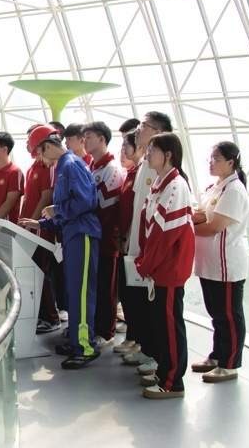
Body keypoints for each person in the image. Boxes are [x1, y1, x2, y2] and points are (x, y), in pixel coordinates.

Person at [18, 125, 101, 369]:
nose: (40, 160)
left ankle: (85, 346)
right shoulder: (63, 167)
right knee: (72, 292)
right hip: (71, 234)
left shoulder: (71, 165)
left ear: (47, 147)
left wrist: (57, 210)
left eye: (39, 153)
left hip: (82, 234)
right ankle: (76, 340)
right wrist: (41, 223)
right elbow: (66, 208)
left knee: (81, 294)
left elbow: (85, 201)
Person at [134, 132, 195, 399]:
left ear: (168, 154)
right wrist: (145, 260)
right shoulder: (160, 183)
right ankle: (164, 370)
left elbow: (165, 234)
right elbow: (148, 227)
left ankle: (173, 382)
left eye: (152, 150)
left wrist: (146, 263)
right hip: (157, 267)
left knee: (170, 326)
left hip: (169, 268)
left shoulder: (176, 186)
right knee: (160, 323)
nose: (147, 155)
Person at [191, 141, 249, 383]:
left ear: (231, 162)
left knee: (229, 315)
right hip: (210, 263)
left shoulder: (233, 190)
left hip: (226, 264)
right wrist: (196, 219)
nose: (211, 163)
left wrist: (190, 226)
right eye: (210, 158)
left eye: (216, 159)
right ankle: (217, 355)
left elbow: (215, 226)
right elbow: (201, 216)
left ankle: (230, 364)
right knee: (216, 313)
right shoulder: (214, 187)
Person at [121, 111, 174, 372]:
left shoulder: (172, 180)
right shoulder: (144, 165)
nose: (139, 129)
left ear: (159, 133)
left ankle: (157, 356)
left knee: (154, 307)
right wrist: (130, 238)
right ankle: (146, 348)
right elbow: (137, 207)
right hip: (137, 245)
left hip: (152, 252)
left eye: (144, 125)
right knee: (139, 302)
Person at [84, 121, 126, 349]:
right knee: (94, 285)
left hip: (106, 239)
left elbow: (106, 208)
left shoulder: (112, 169)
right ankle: (94, 326)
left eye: (89, 137)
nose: (85, 141)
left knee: (105, 288)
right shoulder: (92, 167)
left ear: (102, 139)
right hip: (91, 237)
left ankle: (106, 331)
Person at [22, 125, 62, 334]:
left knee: (40, 272)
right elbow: (29, 198)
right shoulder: (33, 168)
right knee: (34, 272)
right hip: (31, 228)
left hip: (42, 229)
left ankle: (51, 317)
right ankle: (41, 314)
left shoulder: (50, 168)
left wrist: (34, 221)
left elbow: (46, 197)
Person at [114, 131, 144, 355]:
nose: (123, 151)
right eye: (122, 146)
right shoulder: (130, 174)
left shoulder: (142, 173)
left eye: (128, 146)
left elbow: (138, 210)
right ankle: (133, 335)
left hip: (131, 243)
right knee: (127, 294)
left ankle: (138, 338)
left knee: (136, 297)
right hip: (123, 241)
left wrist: (127, 236)